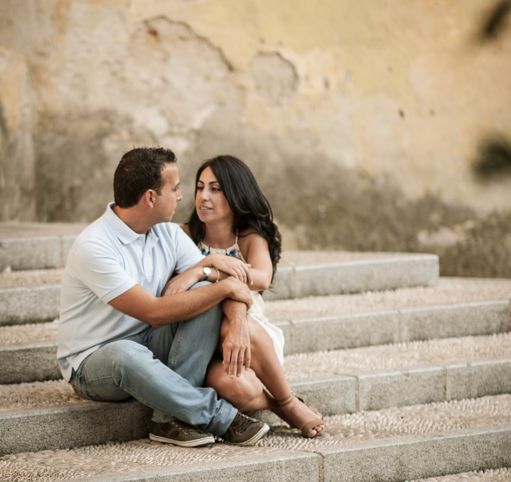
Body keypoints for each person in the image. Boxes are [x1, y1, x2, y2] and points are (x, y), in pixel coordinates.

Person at [57, 146, 270, 448]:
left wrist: (235, 318)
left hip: (152, 343)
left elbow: (227, 282)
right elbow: (154, 313)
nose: (182, 196)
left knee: (202, 295)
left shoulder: (168, 234)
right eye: (176, 188)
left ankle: (168, 420)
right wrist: (222, 285)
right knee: (126, 354)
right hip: (95, 362)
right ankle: (220, 417)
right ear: (151, 198)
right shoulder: (94, 247)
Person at [169, 155, 325, 438]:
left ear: (236, 194)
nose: (203, 197)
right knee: (238, 383)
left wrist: (202, 271)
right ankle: (282, 404)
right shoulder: (184, 236)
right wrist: (208, 268)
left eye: (215, 189)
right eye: (200, 187)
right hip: (201, 336)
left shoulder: (249, 237)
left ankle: (285, 400)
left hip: (249, 333)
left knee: (236, 349)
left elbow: (262, 278)